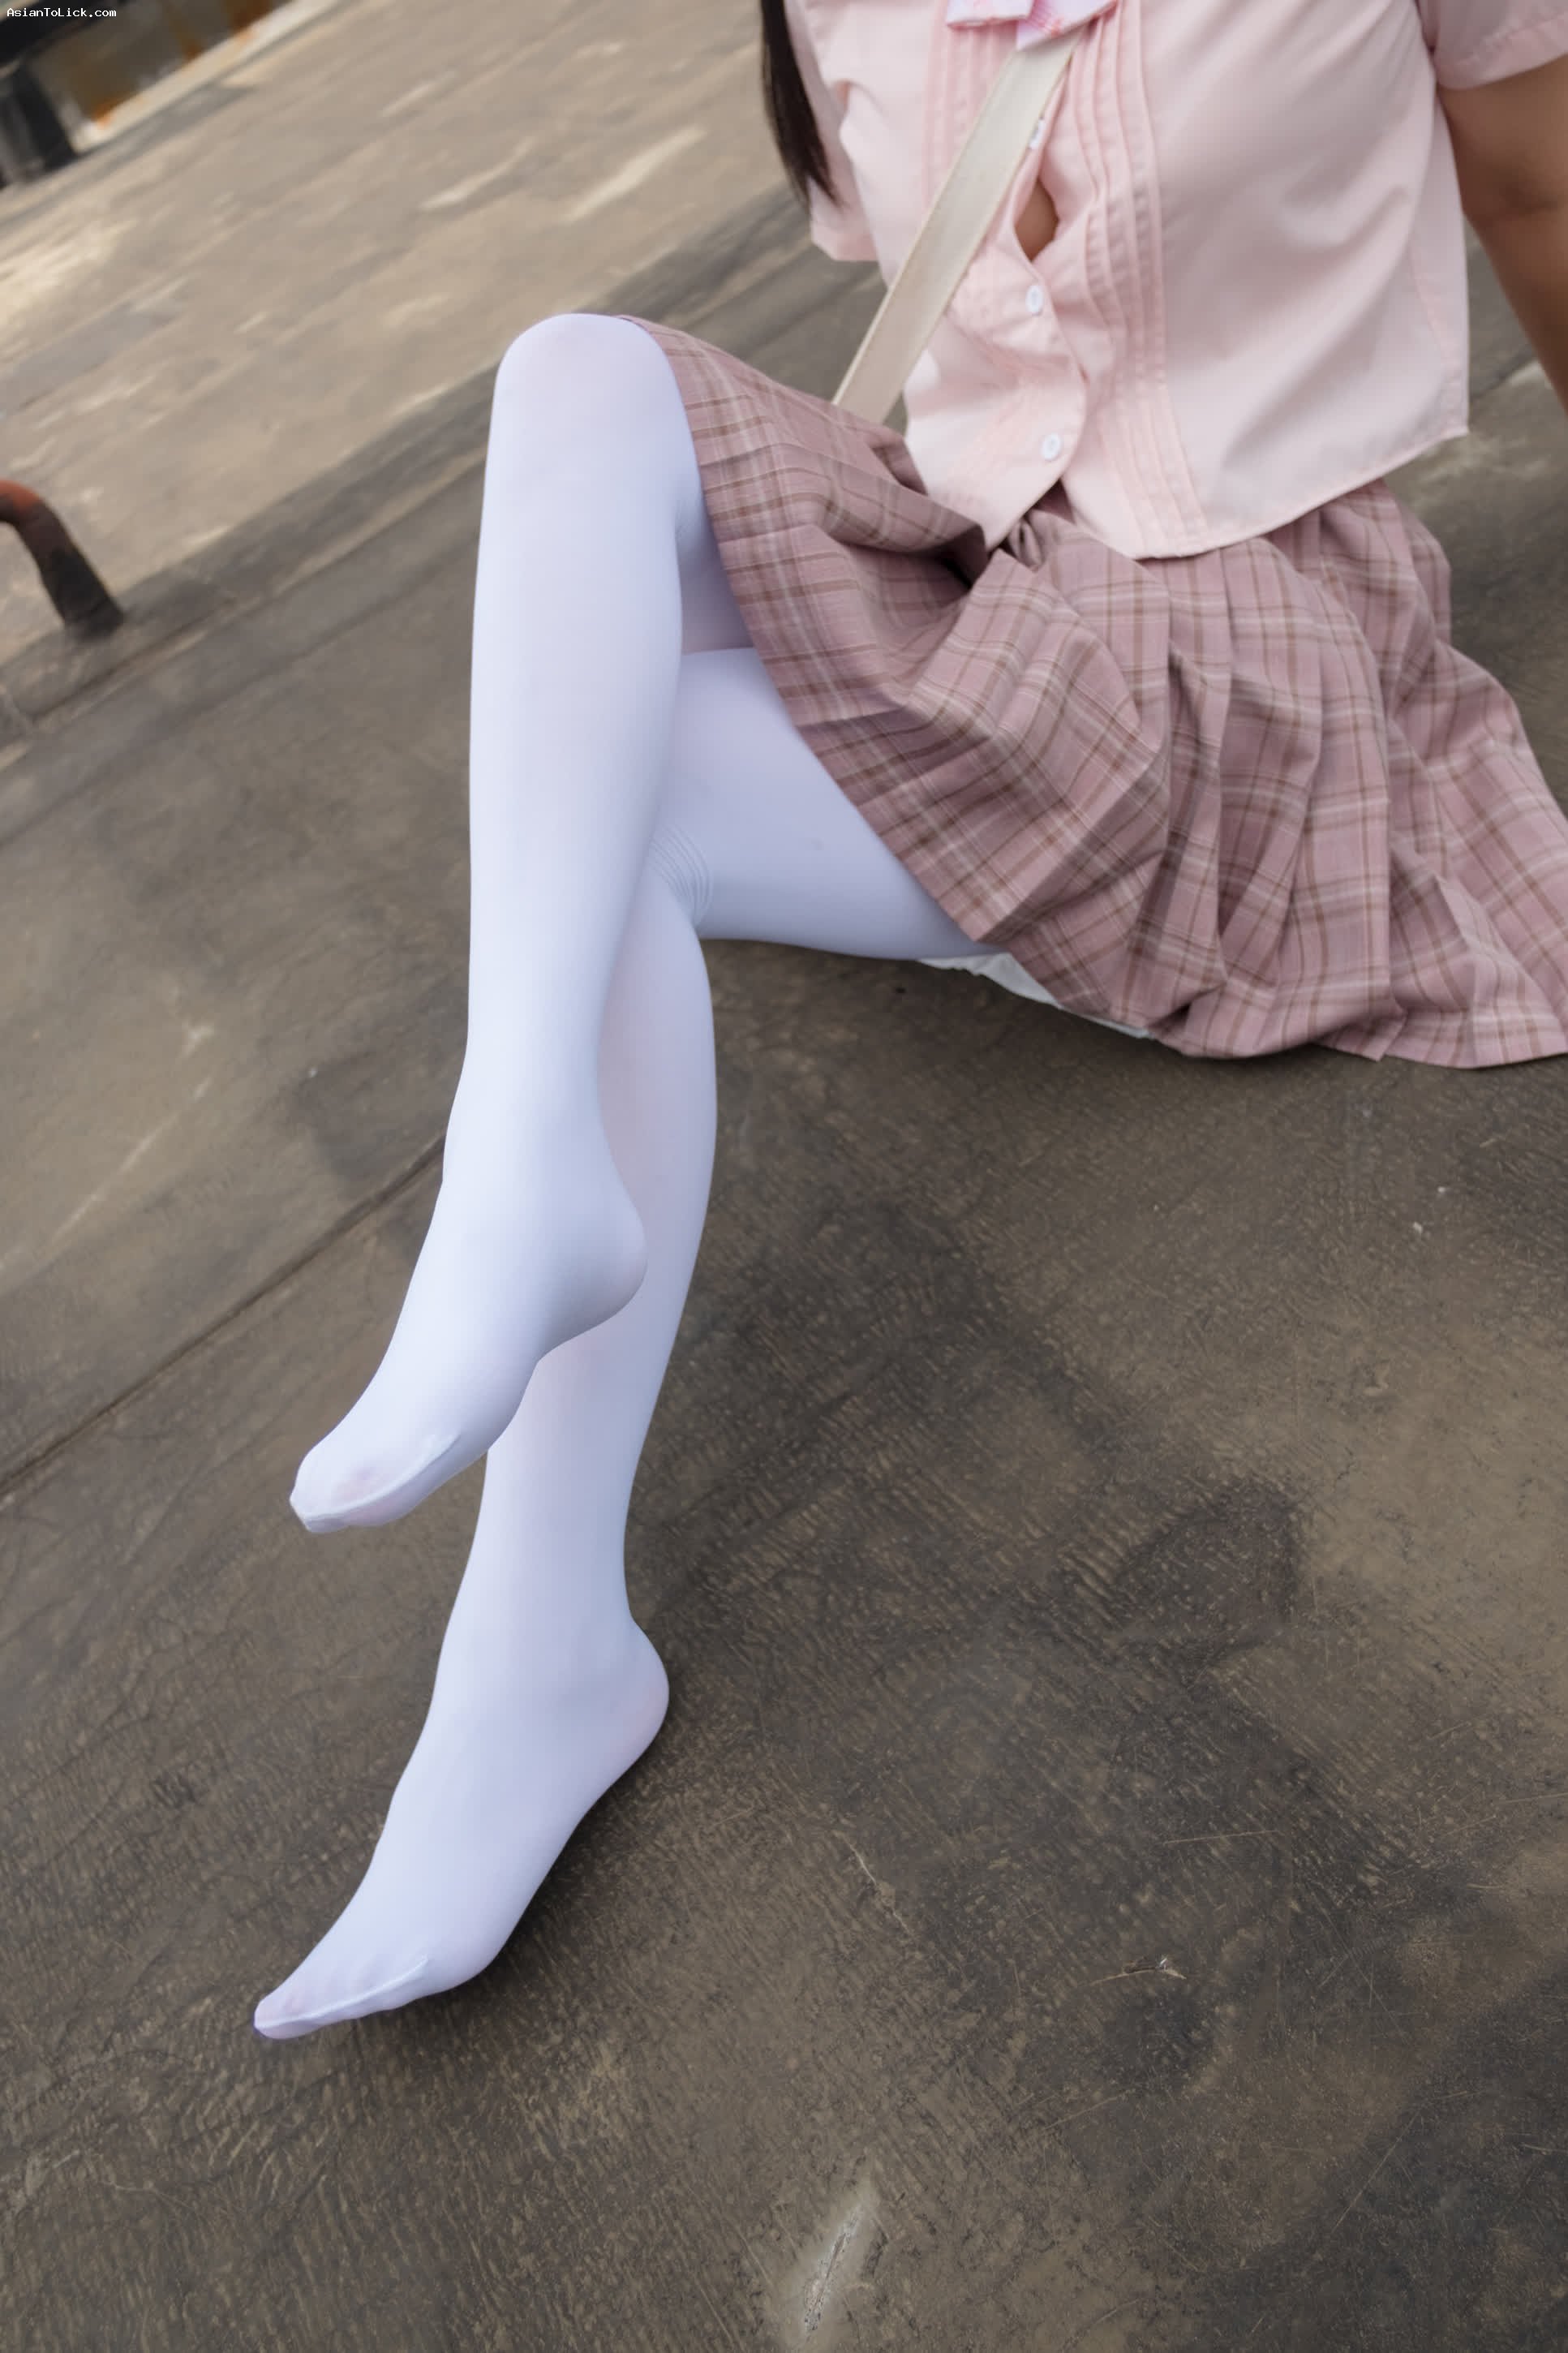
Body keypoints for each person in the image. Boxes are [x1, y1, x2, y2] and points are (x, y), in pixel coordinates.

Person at [251, 0, 1568, 2038]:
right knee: (574, 380)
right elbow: (947, 328)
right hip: (988, 597)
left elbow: (1537, 183)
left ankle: (530, 1627)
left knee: (609, 816)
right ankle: (528, 1286)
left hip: (1246, 650)